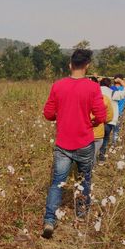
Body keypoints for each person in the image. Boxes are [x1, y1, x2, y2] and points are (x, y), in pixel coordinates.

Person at [41, 49, 107, 239]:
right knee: (84, 179)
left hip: (63, 144)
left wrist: (61, 116)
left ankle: (49, 220)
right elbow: (101, 116)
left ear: (70, 65)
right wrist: (89, 123)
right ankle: (81, 214)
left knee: (57, 183)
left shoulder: (58, 85)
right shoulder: (93, 87)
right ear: (87, 66)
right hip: (85, 143)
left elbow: (48, 114)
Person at [97, 77, 125, 165]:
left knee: (92, 139)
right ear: (109, 85)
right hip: (109, 121)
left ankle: (89, 159)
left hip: (95, 120)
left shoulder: (95, 91)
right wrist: (120, 81)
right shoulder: (113, 93)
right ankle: (101, 156)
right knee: (105, 138)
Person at [110, 74, 125, 144]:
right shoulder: (124, 89)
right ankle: (114, 144)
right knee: (116, 131)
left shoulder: (110, 88)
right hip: (119, 113)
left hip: (110, 112)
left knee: (107, 130)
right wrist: (122, 81)